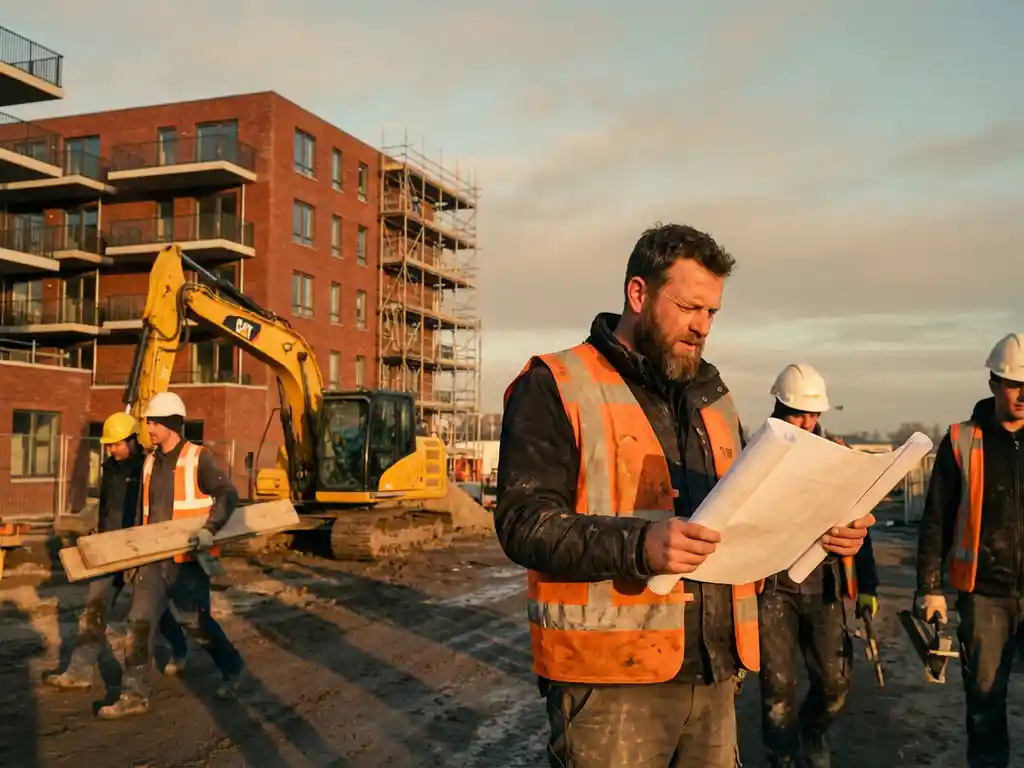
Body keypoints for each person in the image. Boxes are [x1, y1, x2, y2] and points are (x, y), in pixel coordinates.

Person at [494, 223, 876, 768]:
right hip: (609, 681)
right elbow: (523, 522)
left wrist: (817, 532)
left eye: (712, 313)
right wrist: (640, 545)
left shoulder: (713, 400)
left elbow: (746, 523)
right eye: (689, 307)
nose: (702, 327)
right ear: (638, 293)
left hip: (715, 674)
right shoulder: (556, 383)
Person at [756, 364, 880, 768]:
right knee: (777, 688)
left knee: (835, 683)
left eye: (814, 415)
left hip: (823, 584)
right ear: (777, 408)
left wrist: (869, 587)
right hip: (773, 587)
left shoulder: (840, 456)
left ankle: (812, 733)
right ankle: (783, 758)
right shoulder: (755, 456)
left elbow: (861, 524)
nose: (807, 424)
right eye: (797, 414)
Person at [98, 392, 246, 719]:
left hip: (188, 562)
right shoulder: (150, 460)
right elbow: (142, 514)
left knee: (196, 623)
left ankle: (232, 666)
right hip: (153, 562)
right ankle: (134, 694)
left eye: (152, 422)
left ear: (169, 424)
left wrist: (210, 528)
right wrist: (134, 557)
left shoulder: (198, 457)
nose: (148, 427)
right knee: (138, 622)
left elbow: (227, 493)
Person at [916, 332, 1024, 768]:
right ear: (995, 383)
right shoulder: (962, 442)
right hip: (985, 597)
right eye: (1015, 384)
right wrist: (930, 587)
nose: (1023, 395)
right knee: (985, 705)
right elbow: (936, 519)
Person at [42, 412, 189, 690]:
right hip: (110, 550)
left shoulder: (147, 467)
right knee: (94, 608)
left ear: (133, 440)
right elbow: (108, 507)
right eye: (109, 445)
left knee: (152, 610)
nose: (111, 449)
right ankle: (79, 671)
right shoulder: (109, 469)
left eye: (116, 444)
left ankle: (180, 648)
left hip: (138, 548)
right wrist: (99, 532)